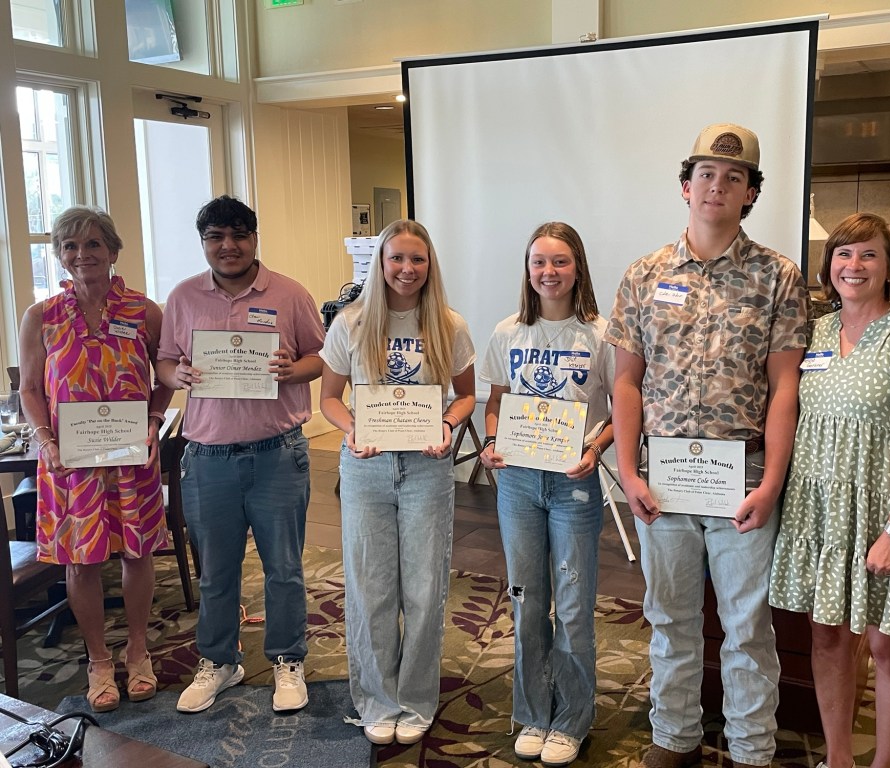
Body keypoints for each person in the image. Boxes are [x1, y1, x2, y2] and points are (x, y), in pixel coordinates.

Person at [605, 123, 809, 768]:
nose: (718, 187)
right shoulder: (645, 274)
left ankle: (751, 749)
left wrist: (771, 480)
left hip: (741, 477)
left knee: (748, 628)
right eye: (707, 175)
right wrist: (628, 470)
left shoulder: (778, 276)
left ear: (751, 193)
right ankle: (674, 737)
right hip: (663, 479)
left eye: (734, 177)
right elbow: (627, 383)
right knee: (669, 618)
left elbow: (784, 388)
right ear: (685, 185)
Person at [769, 213, 890, 768]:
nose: (855, 266)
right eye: (844, 254)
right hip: (822, 517)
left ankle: (883, 764)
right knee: (827, 640)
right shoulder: (815, 334)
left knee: (887, 646)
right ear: (829, 267)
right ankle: (839, 758)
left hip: (886, 515)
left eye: (869, 254)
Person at [156, 196, 325, 714]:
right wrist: (175, 377)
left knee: (283, 568)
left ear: (254, 238)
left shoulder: (290, 294)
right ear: (203, 242)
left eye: (237, 235)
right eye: (215, 237)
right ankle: (219, 661)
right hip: (207, 457)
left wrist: (289, 370)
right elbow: (164, 361)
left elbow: (321, 358)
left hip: (278, 454)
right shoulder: (183, 297)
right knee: (217, 571)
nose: (227, 246)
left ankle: (287, 660)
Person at [319, 219, 476, 746]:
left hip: (426, 469)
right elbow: (330, 400)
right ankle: (376, 698)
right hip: (366, 468)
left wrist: (449, 426)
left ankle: (414, 699)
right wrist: (353, 429)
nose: (407, 269)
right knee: (370, 587)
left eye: (417, 259)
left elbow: (465, 396)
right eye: (396, 259)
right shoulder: (352, 323)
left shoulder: (449, 325)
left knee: (425, 587)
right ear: (379, 264)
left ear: (430, 265)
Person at [18, 206, 174, 712]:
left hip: (131, 457)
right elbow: (29, 387)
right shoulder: (41, 316)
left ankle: (138, 650)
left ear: (112, 250)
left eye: (92, 245)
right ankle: (99, 660)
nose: (81, 255)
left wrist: (153, 423)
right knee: (80, 561)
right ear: (60, 254)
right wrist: (47, 442)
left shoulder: (144, 311)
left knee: (137, 553)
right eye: (69, 246)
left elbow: (166, 376)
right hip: (69, 460)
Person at [478, 222, 615, 767]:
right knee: (527, 598)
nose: (548, 272)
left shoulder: (602, 334)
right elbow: (495, 404)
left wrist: (597, 448)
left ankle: (573, 718)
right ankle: (534, 712)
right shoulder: (508, 331)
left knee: (576, 603)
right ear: (527, 269)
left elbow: (625, 411)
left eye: (559, 262)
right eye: (539, 262)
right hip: (517, 482)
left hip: (573, 481)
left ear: (578, 266)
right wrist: (491, 440)